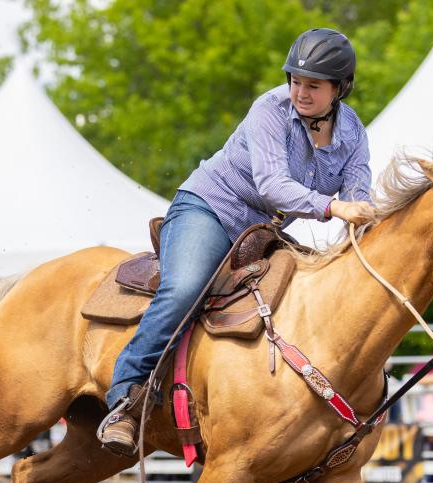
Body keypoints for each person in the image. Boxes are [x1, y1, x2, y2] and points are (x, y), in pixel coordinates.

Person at [98, 28, 375, 455]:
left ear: (340, 88)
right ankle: (125, 399)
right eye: (295, 80)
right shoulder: (269, 108)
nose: (301, 91)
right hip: (208, 208)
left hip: (261, 230)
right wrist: (334, 209)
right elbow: (271, 185)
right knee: (185, 289)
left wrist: (363, 221)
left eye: (313, 85)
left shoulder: (353, 132)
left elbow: (359, 191)